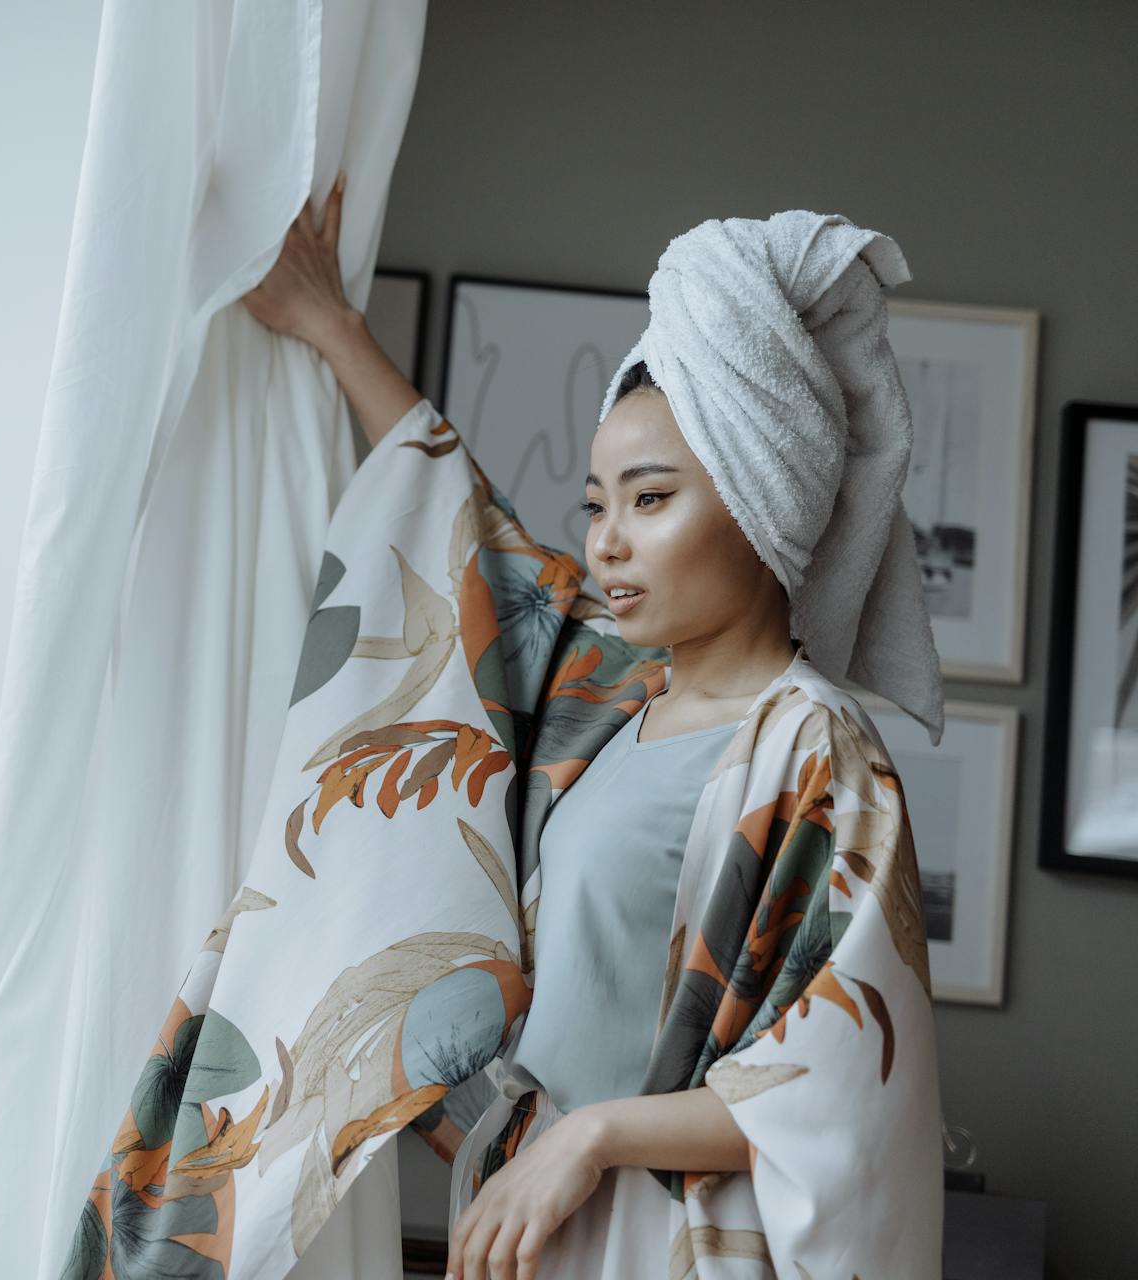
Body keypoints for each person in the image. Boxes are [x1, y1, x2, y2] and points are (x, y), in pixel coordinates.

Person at [228, 177, 945, 1280]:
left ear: (765, 504)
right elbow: (469, 543)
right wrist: (331, 329)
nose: (609, 540)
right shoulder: (604, 696)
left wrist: (591, 1135)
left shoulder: (815, 748)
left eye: (651, 499)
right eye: (597, 501)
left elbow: (840, 1077)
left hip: (662, 1236)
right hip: (537, 1220)